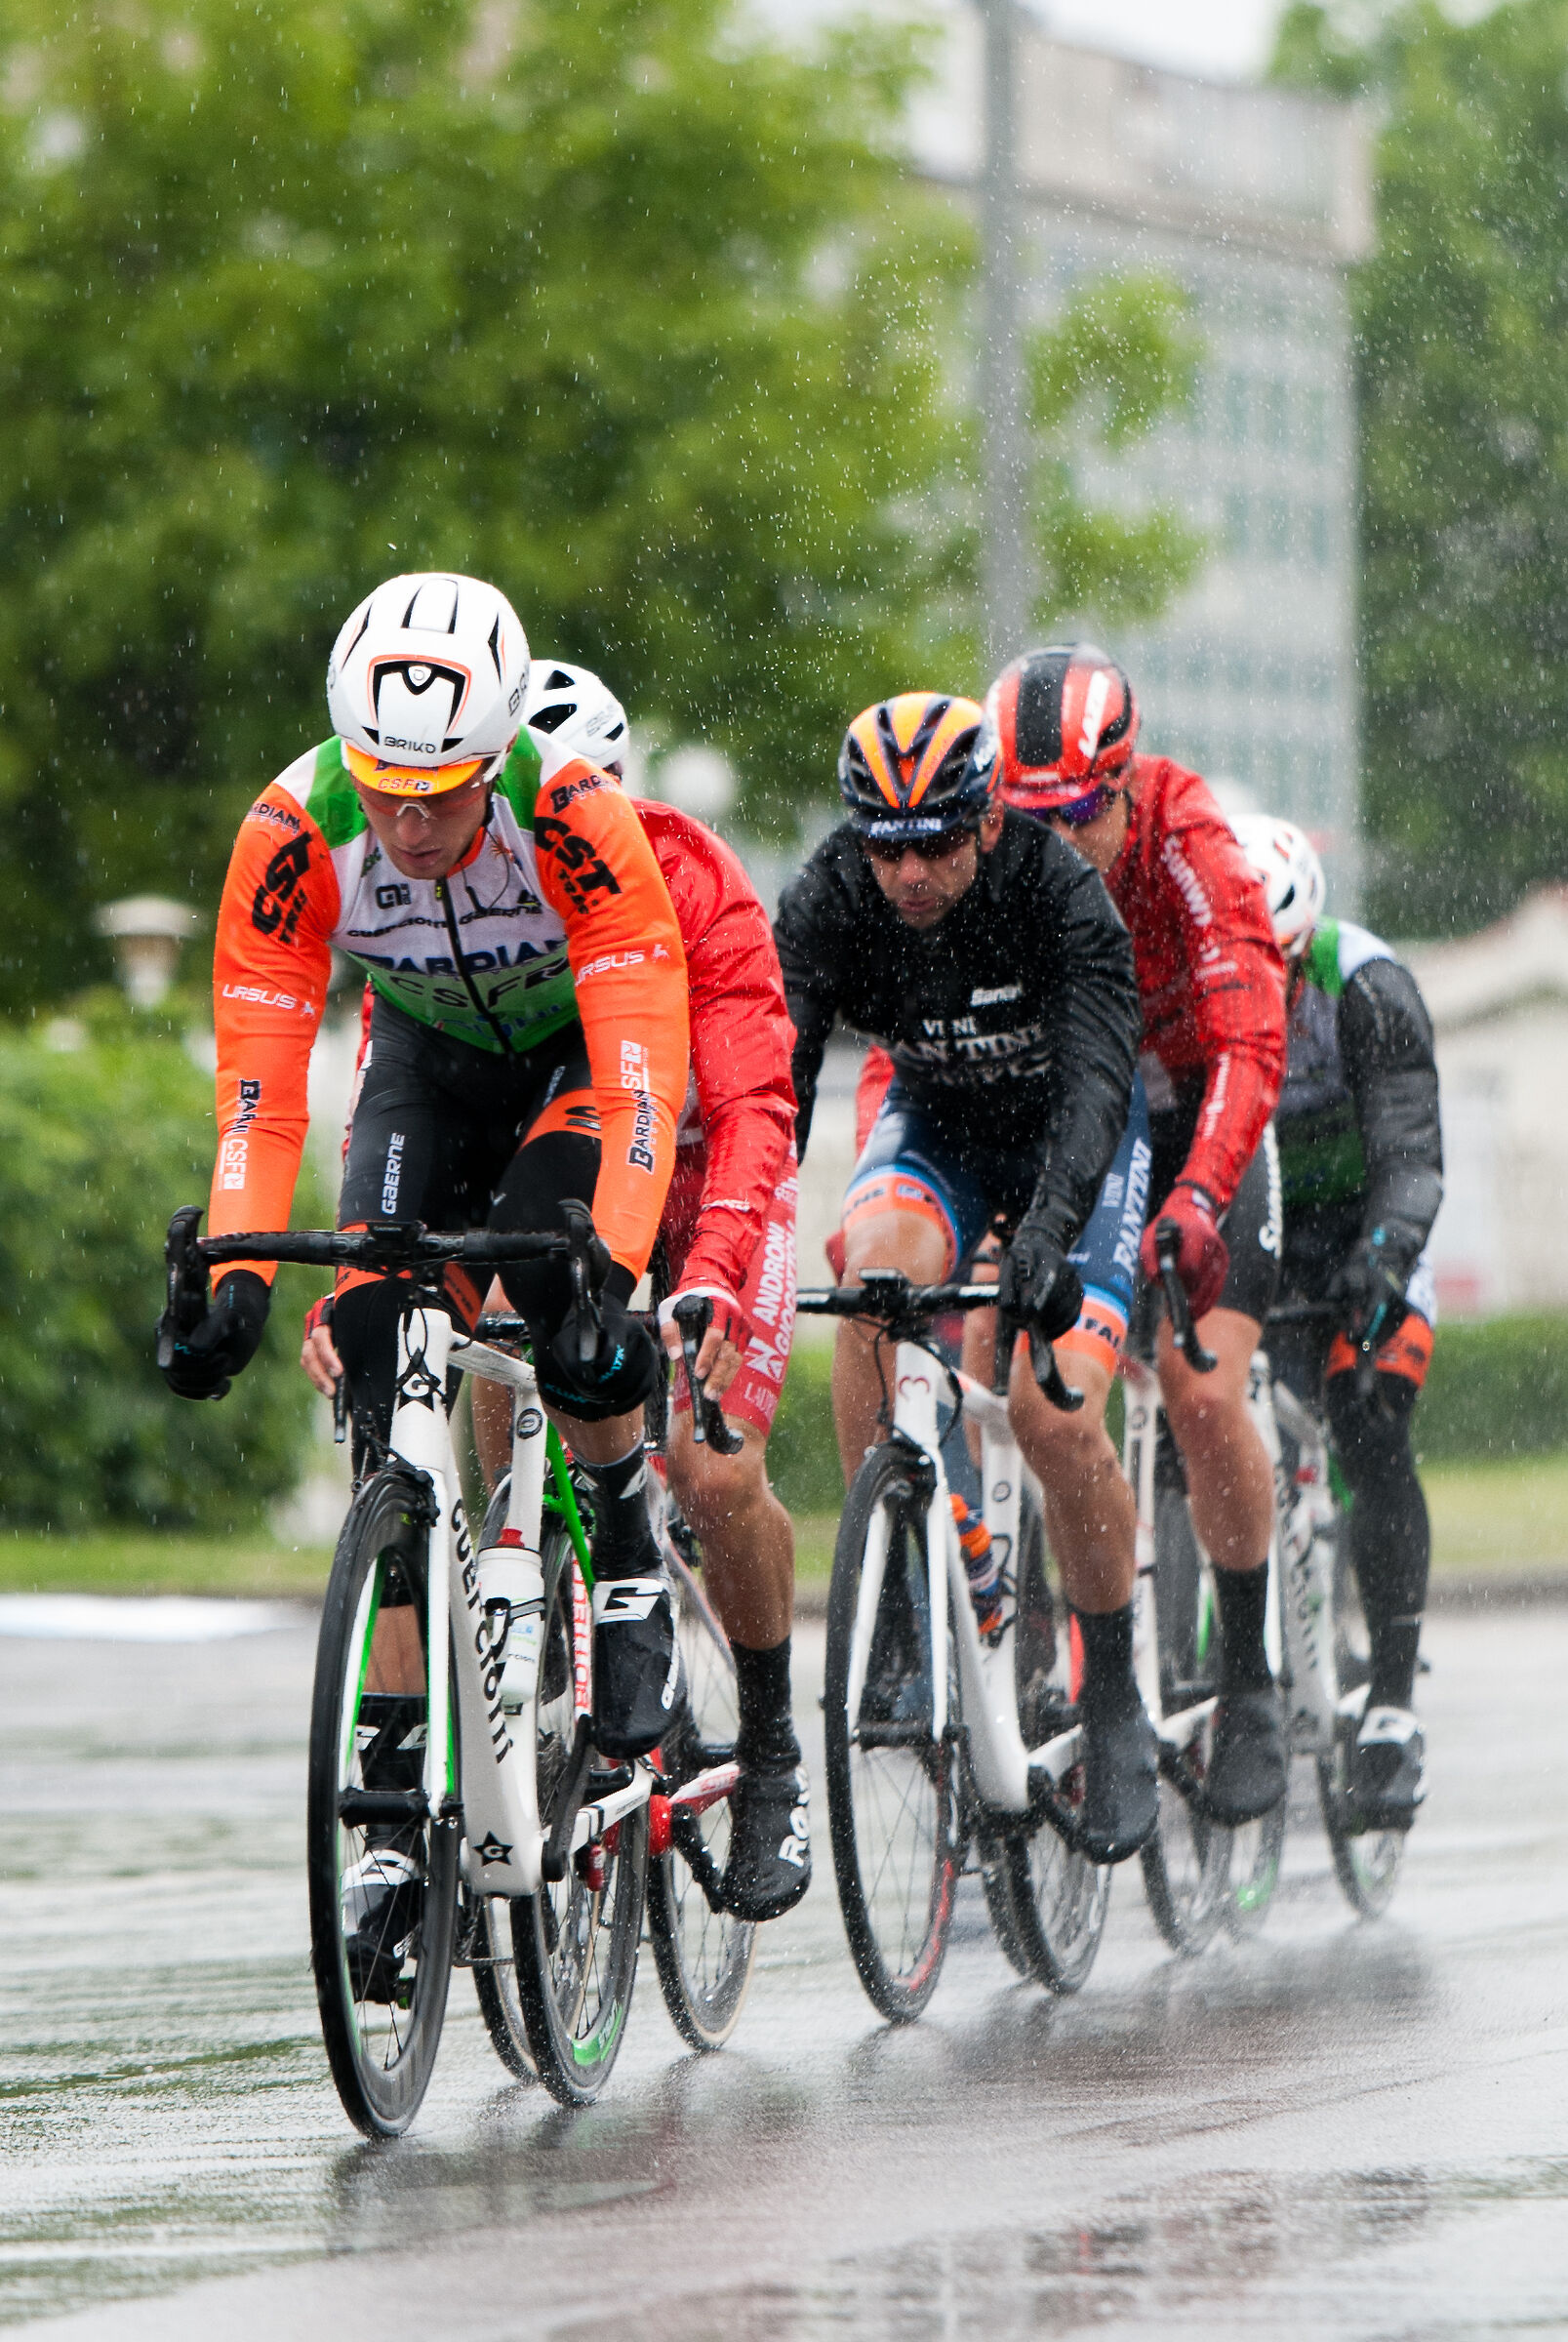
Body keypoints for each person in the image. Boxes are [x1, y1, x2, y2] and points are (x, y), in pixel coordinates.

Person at [160, 572, 693, 1783]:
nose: (407, 827)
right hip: (423, 1061)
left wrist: (612, 1254)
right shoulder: (292, 832)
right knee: (368, 1321)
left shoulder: (573, 815)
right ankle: (394, 1759)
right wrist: (238, 1271)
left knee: (557, 1280)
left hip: (572, 1064)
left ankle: (621, 1550)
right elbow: (258, 1090)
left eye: (441, 795)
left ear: (499, 750)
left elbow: (643, 1068)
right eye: (383, 790)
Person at [307, 661, 812, 1920]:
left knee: (707, 1472)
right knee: (473, 1362)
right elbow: (396, 1081)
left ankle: (770, 1756)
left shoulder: (682, 876)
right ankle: (511, 1640)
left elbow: (752, 1103)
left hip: (701, 1176)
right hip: (557, 1153)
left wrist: (709, 1274)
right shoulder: (447, 890)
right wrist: (354, 1276)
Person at [774, 689, 1154, 1864]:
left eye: (938, 842)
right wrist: (736, 1237)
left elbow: (1099, 1088)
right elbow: (772, 1087)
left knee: (1051, 1412)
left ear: (988, 821)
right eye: (886, 847)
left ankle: (1114, 1698)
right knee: (871, 1283)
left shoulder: (1058, 893)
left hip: (1067, 1138)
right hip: (937, 1123)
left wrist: (1042, 1234)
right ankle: (900, 1591)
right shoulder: (829, 898)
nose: (911, 876)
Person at [917, 642, 1292, 1828]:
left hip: (1200, 1114)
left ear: (1127, 787)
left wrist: (1195, 1198)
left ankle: (1248, 1674)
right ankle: (1026, 1635)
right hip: (1073, 1112)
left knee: (1192, 1385)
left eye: (1079, 812)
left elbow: (1247, 1044)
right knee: (995, 1345)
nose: (1055, 840)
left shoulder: (1187, 838)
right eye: (1026, 816)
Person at [1233, 814, 1442, 1828]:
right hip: (1261, 1227)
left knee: (1366, 1415)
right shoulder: (1184, 984)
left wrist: (1384, 1254)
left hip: (1367, 1227)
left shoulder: (1363, 982)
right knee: (1206, 1424)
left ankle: (1393, 1705)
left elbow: (1408, 1146)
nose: (1257, 992)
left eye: (1273, 968)